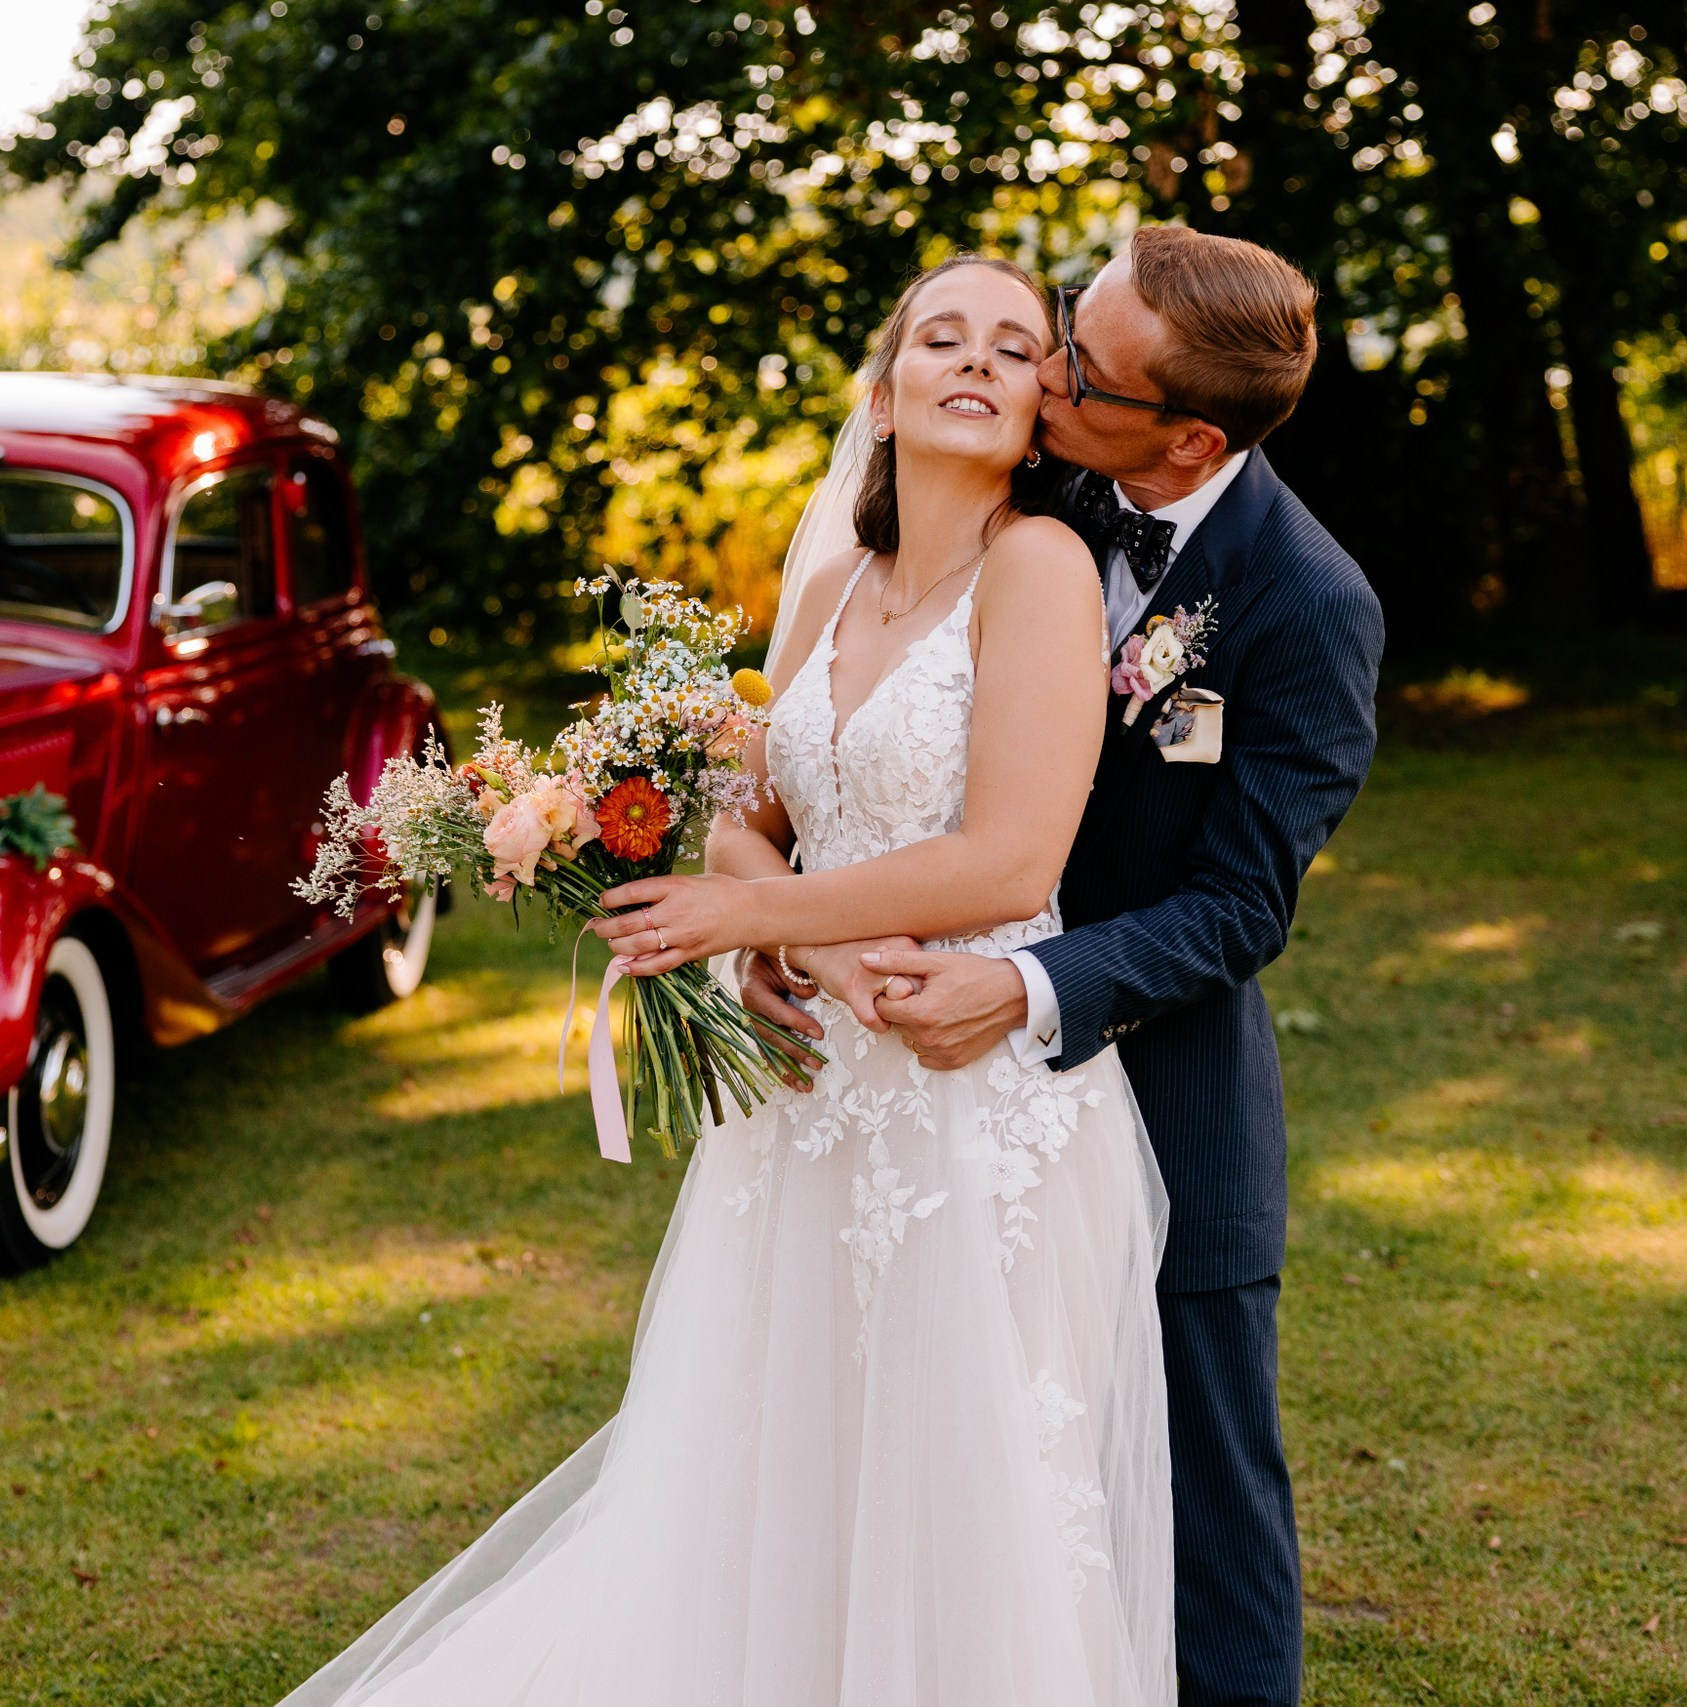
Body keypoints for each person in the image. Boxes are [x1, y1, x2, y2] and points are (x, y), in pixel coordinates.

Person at [282, 253, 1178, 1706]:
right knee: (787, 1459)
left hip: (970, 1093)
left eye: (1015, 351)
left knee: (962, 1482)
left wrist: (749, 914)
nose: (974, 361)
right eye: (937, 337)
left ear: (1037, 412)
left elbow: (1013, 863)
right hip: (816, 1084)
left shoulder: (1042, 570)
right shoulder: (832, 580)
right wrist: (786, 940)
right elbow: (742, 819)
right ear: (883, 393)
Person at [739, 226, 1385, 1707]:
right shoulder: (1044, 478)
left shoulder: (1304, 604)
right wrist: (802, 916)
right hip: (905, 1076)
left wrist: (1027, 986)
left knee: (1199, 1489)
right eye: (1058, 336)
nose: (1042, 378)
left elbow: (1239, 906)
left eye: (1073, 365)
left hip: (1154, 1074)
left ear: (1189, 435)